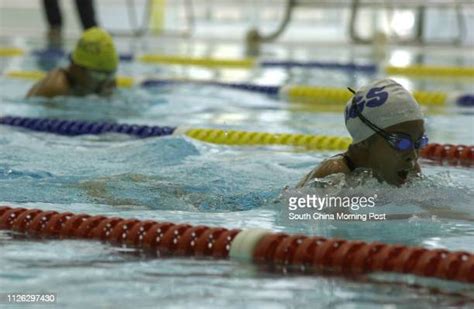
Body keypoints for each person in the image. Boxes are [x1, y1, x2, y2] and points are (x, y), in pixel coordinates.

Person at [297, 79, 428, 188]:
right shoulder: (335, 173)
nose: (413, 155)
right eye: (400, 142)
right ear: (364, 141)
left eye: (419, 142)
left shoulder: (409, 169)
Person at [27, 27, 118, 98]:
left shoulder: (107, 82)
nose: (104, 82)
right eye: (98, 75)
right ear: (76, 68)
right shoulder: (56, 87)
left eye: (110, 74)